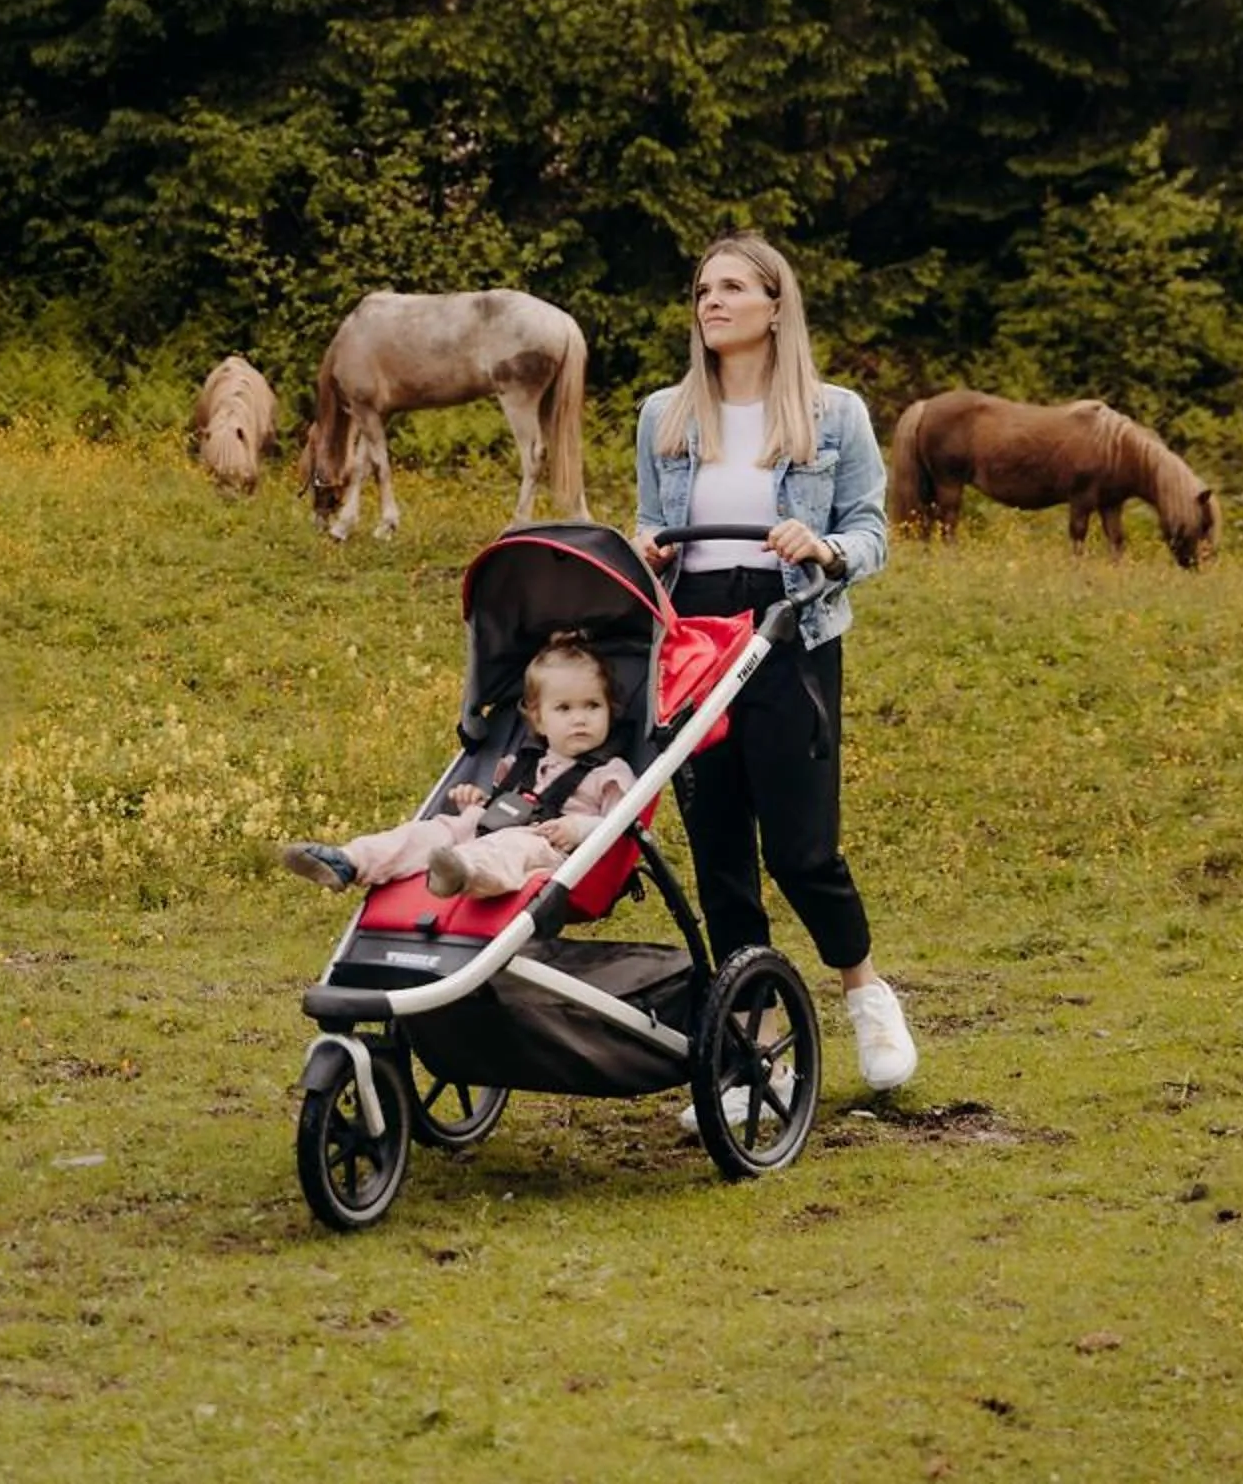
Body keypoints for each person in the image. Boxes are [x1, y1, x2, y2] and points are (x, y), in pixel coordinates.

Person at [633, 232, 915, 1118]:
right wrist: (641, 549)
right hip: (695, 641)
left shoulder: (834, 416)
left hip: (790, 632)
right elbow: (651, 519)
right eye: (702, 290)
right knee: (720, 856)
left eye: (730, 288)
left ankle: (864, 991)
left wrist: (824, 546)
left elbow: (872, 532)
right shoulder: (664, 416)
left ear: (774, 305)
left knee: (801, 849)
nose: (710, 302)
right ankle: (757, 1060)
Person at [278, 634, 639, 900]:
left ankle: (461, 872)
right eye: (564, 709)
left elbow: (622, 825)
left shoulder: (609, 772)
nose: (580, 719)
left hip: (548, 852)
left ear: (610, 710)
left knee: (510, 847)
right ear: (538, 720)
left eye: (592, 706)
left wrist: (579, 827)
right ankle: (351, 860)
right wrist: (476, 801)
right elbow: (503, 803)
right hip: (483, 828)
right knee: (427, 833)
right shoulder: (523, 762)